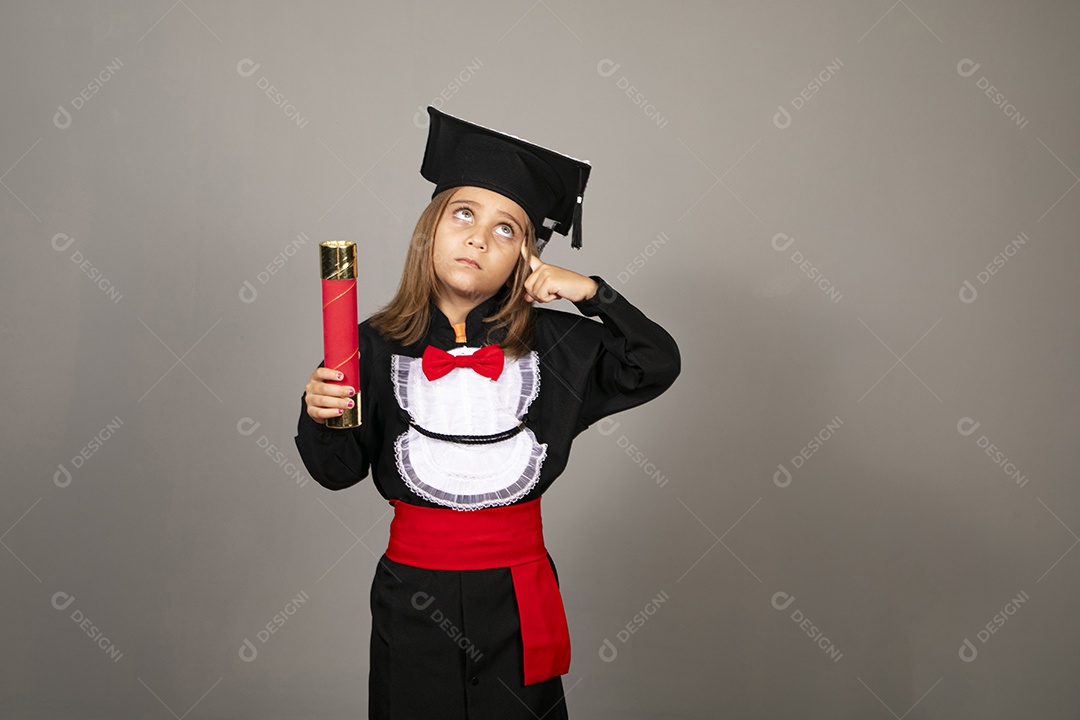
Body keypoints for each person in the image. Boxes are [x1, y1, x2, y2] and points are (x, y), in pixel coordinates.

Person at [294, 106, 680, 720]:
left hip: (517, 600)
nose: (478, 238)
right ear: (430, 230)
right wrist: (320, 414)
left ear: (527, 257)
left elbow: (654, 362)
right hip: (413, 599)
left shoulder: (558, 347)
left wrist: (591, 292)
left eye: (506, 229)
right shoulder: (370, 345)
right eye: (464, 214)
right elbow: (336, 471)